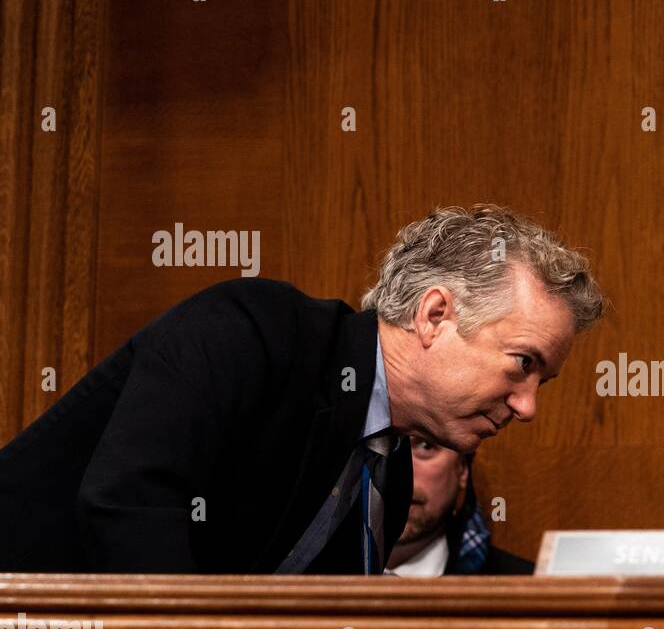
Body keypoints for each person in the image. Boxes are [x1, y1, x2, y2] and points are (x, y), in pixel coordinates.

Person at [0, 205, 603, 574]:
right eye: (523, 363)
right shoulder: (253, 329)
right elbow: (126, 504)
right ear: (435, 314)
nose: (527, 407)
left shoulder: (386, 470)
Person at [385, 441, 533, 576]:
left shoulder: (526, 590)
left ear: (462, 468)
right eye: (381, 443)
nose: (400, 473)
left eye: (426, 446)